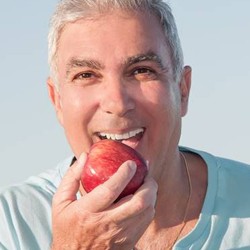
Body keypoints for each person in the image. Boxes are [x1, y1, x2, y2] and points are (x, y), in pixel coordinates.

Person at [1, 0, 250, 249]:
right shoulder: (10, 223)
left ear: (182, 91)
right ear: (58, 102)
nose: (117, 103)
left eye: (142, 70)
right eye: (86, 75)